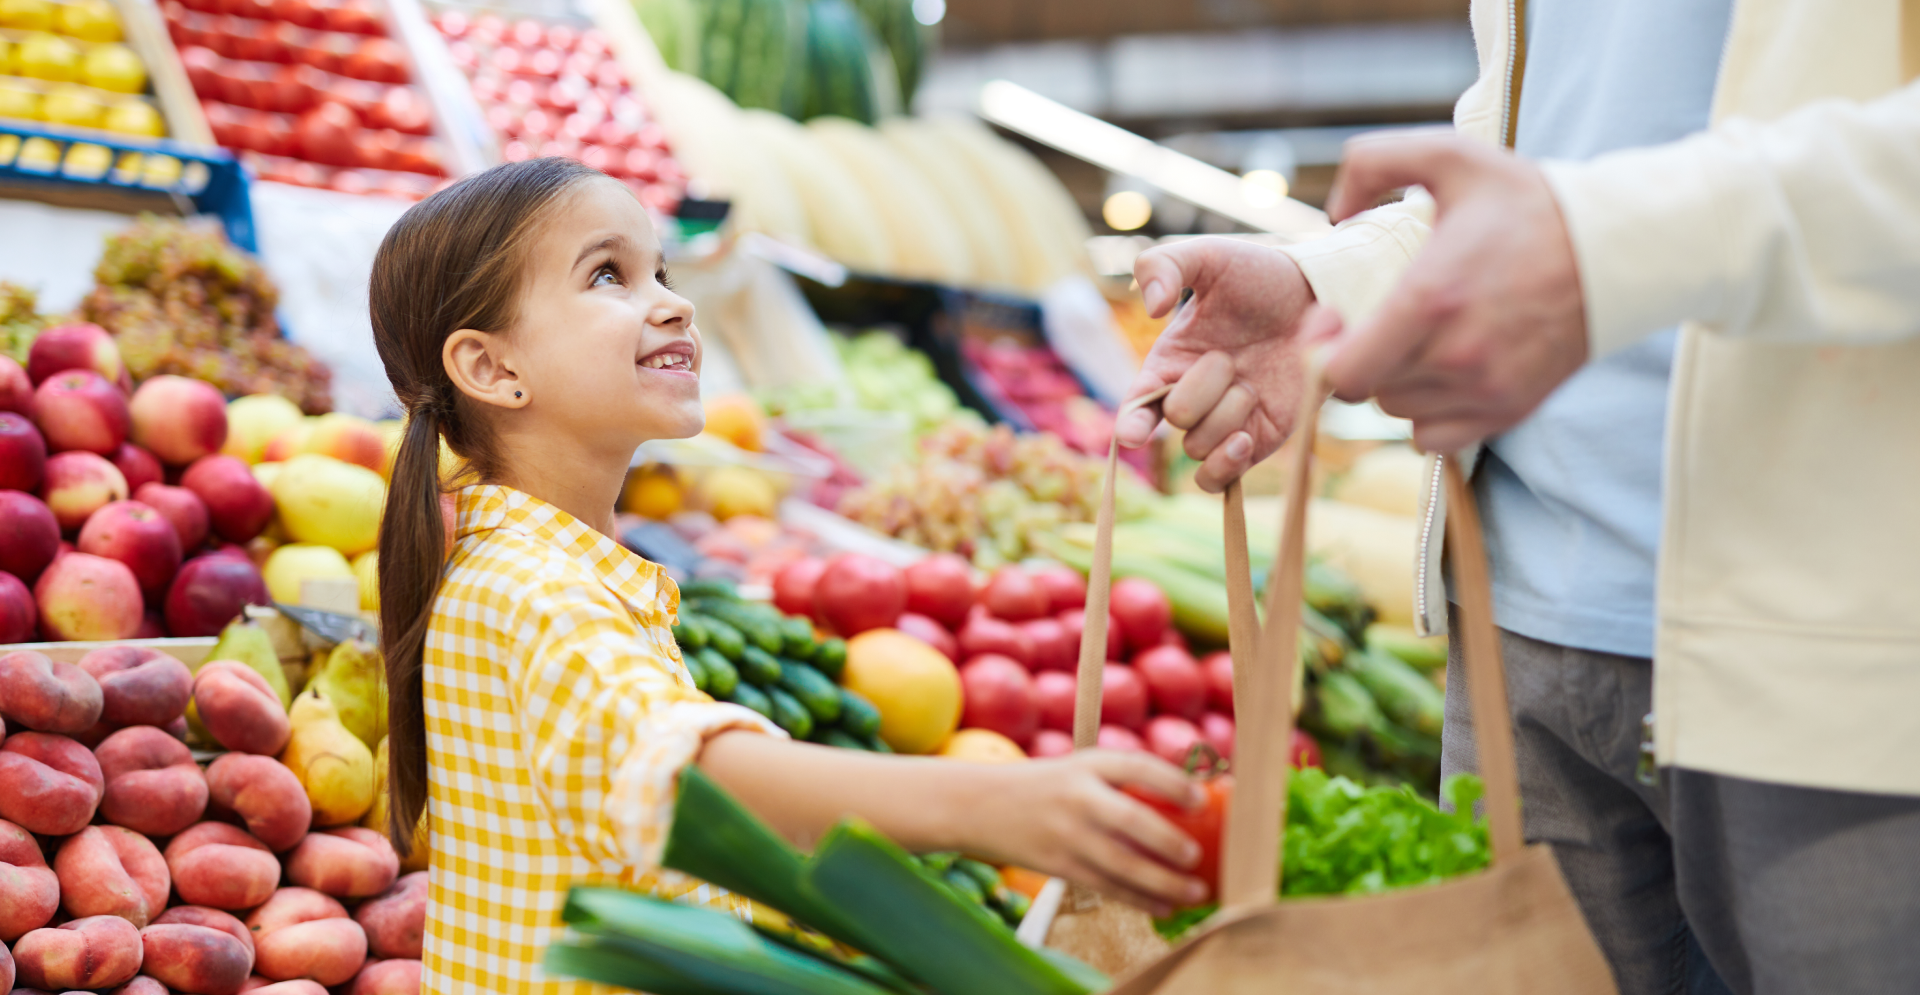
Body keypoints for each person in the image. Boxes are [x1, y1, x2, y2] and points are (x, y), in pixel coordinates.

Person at [1119, 3, 1920, 994]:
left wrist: (1605, 243)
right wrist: (1332, 283)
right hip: (1516, 633)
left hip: (1842, 642)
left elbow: (1601, 215)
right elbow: (1551, 150)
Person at [368, 157, 1208, 995]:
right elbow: (690, 777)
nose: (674, 300)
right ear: (491, 368)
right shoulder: (532, 588)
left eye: (658, 270)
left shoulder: (542, 566)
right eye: (607, 275)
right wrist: (1002, 806)